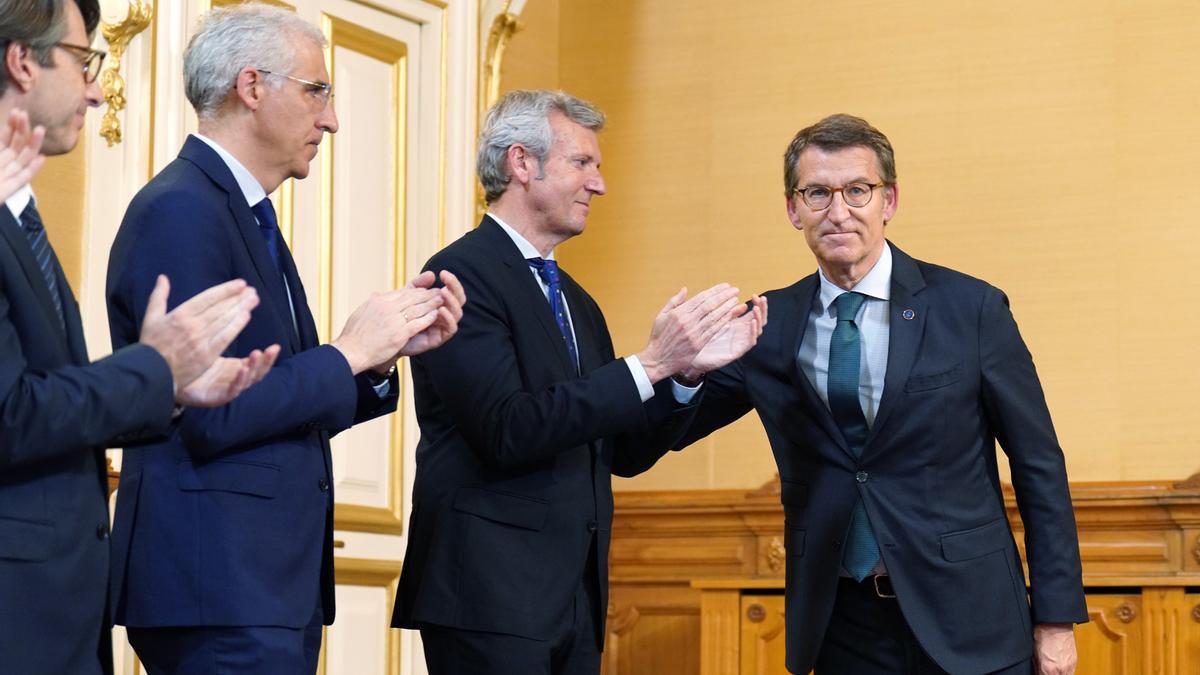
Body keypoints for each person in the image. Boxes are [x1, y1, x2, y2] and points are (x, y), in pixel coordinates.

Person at [103, 4, 465, 673]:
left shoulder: (241, 211)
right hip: (218, 584)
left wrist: (379, 358)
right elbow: (213, 410)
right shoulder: (183, 210)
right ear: (251, 87)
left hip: (258, 586)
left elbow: (281, 398)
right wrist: (348, 351)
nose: (330, 117)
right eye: (317, 90)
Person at [672, 113, 1086, 674]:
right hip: (844, 625)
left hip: (971, 619)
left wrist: (1056, 620)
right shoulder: (767, 324)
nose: (837, 211)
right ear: (793, 209)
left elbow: (1038, 464)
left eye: (857, 191)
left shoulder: (972, 309)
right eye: (817, 193)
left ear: (888, 201)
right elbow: (654, 439)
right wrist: (682, 369)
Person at [392, 89, 766, 675]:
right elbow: (506, 429)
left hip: (573, 601)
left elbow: (621, 450)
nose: (599, 184)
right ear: (521, 163)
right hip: (489, 597)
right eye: (583, 163)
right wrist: (649, 365)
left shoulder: (577, 303)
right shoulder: (460, 275)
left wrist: (685, 374)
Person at [0, 0, 277, 672]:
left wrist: (170, 384)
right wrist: (156, 367)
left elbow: (47, 397)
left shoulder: (16, 209)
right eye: (85, 59)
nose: (97, 89)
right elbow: (12, 415)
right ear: (21, 62)